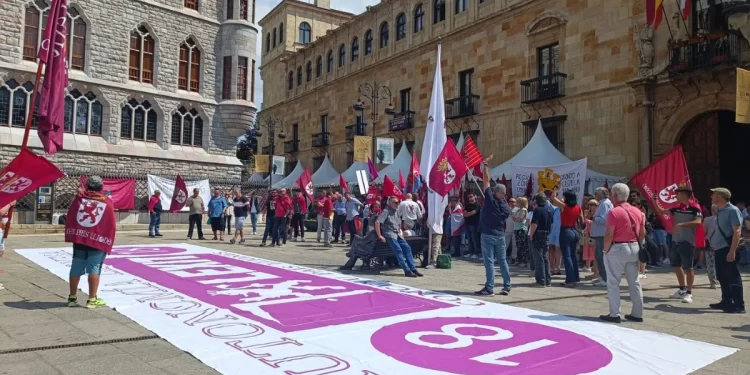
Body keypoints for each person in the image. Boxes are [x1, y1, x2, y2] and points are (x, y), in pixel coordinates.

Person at [65, 176, 116, 309]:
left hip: (80, 239)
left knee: (76, 266)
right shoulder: (106, 201)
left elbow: (71, 215)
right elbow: (110, 223)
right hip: (96, 241)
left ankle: (72, 297)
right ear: (101, 187)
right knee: (94, 268)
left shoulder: (79, 199)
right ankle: (92, 299)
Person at [599, 183, 645, 323]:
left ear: (615, 195)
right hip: (634, 246)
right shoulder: (639, 212)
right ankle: (637, 313)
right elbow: (642, 233)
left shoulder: (614, 212)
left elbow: (609, 234)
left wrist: (605, 250)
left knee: (613, 282)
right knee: (634, 282)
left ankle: (614, 314)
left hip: (618, 248)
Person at [651, 185, 702, 303]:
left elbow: (698, 222)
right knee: (676, 265)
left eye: (677, 194)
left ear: (684, 194)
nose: (675, 196)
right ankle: (682, 289)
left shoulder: (695, 207)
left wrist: (680, 225)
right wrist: (654, 201)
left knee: (688, 268)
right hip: (675, 240)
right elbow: (661, 211)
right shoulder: (676, 207)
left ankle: (689, 293)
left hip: (688, 241)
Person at [475, 155, 512, 297]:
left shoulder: (490, 199)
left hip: (488, 234)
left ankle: (489, 288)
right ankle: (507, 286)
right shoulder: (505, 205)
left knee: (489, 262)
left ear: (496, 192)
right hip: (500, 235)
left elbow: (486, 181)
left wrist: (486, 165)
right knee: (502, 261)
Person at [708, 188, 745, 314]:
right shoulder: (720, 210)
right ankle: (726, 301)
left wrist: (732, 251)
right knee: (722, 276)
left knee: (732, 277)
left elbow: (737, 231)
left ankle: (739, 305)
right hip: (719, 248)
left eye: (714, 194)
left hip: (727, 248)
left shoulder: (732, 210)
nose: (711, 196)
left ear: (720, 197)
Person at [375, 196, 424, 278]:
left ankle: (413, 268)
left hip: (397, 234)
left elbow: (398, 223)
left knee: (407, 248)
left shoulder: (397, 211)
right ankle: (407, 270)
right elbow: (377, 222)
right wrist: (380, 235)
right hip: (390, 234)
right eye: (395, 202)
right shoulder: (386, 211)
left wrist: (400, 230)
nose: (397, 204)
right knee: (398, 250)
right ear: (390, 203)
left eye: (398, 202)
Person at [550, 189, 583, 287]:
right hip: (574, 231)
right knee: (573, 256)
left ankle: (570, 279)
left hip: (566, 231)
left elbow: (553, 199)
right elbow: (582, 221)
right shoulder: (578, 207)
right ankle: (575, 277)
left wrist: (555, 190)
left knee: (567, 256)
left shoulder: (564, 206)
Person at [529, 193, 552, 287]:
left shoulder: (537, 210)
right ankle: (548, 280)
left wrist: (531, 235)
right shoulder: (549, 210)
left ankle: (541, 280)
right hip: (546, 233)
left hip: (538, 234)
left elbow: (534, 224)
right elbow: (551, 223)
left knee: (538, 258)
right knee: (545, 257)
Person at [591, 187, 613, 287]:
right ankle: (602, 276)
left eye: (596, 193)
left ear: (600, 194)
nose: (595, 195)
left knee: (600, 256)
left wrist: (594, 217)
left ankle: (605, 279)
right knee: (598, 256)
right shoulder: (604, 203)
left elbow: (603, 219)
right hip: (600, 233)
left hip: (602, 233)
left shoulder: (604, 204)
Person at [702, 205, 720, 289]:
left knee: (710, 264)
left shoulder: (707, 220)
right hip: (721, 244)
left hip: (710, 243)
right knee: (721, 263)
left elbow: (703, 232)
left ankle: (713, 282)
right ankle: (721, 280)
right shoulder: (723, 219)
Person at [512, 197, 530, 268]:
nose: (516, 203)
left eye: (518, 201)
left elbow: (519, 219)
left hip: (521, 229)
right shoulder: (518, 210)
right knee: (518, 245)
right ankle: (519, 260)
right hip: (517, 229)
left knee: (522, 246)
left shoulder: (523, 210)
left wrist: (514, 218)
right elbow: (514, 218)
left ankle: (523, 261)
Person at [463, 192, 481, 259]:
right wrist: (468, 214)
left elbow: (473, 212)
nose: (470, 198)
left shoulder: (477, 205)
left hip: (474, 224)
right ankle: (471, 252)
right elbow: (464, 214)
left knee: (474, 239)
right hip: (467, 224)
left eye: (471, 196)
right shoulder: (467, 205)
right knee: (469, 239)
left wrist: (468, 213)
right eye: (469, 197)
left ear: (474, 197)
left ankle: (476, 253)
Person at [582, 200, 597, 273]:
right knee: (586, 249)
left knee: (592, 250)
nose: (590, 206)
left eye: (592, 205)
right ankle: (587, 265)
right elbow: (584, 221)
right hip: (587, 233)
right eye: (589, 205)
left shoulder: (597, 212)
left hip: (593, 233)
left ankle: (593, 267)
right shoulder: (587, 211)